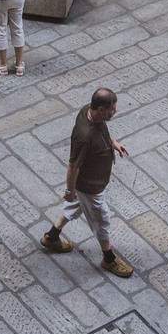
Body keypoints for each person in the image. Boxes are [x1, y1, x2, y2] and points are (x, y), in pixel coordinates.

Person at [39, 86, 133, 277]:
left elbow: (103, 129)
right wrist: (70, 190)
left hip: (90, 184)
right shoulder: (84, 135)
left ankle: (52, 237)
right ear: (100, 109)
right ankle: (108, 259)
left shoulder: (87, 111)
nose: (115, 111)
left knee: (74, 207)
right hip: (90, 187)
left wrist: (113, 143)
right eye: (112, 109)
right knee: (102, 219)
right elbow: (73, 166)